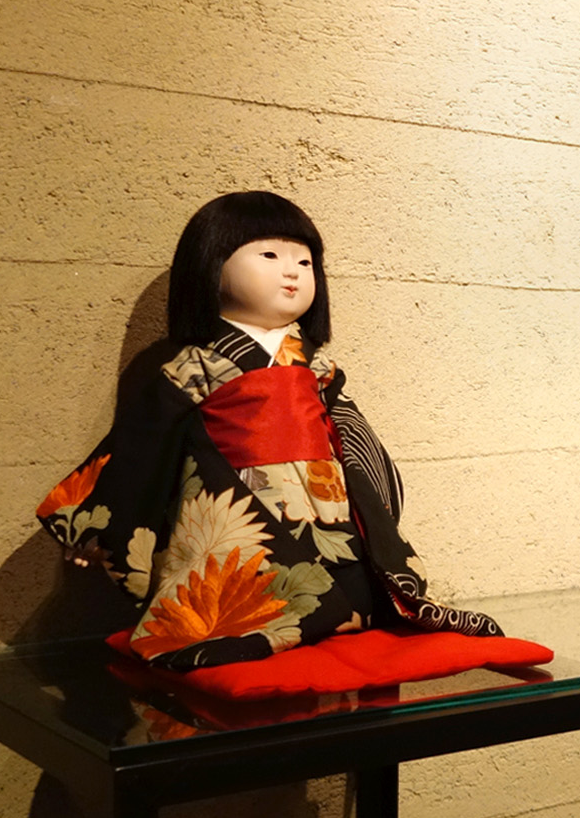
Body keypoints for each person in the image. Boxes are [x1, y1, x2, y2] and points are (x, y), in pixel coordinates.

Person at [36, 191, 519, 675]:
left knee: (345, 564)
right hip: (233, 491)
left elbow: (352, 434)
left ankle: (347, 608)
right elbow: (144, 443)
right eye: (269, 255)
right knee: (238, 572)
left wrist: (376, 497)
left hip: (323, 487)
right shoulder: (198, 365)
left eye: (304, 262)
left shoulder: (315, 364)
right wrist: (92, 527)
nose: (292, 272)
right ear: (211, 266)